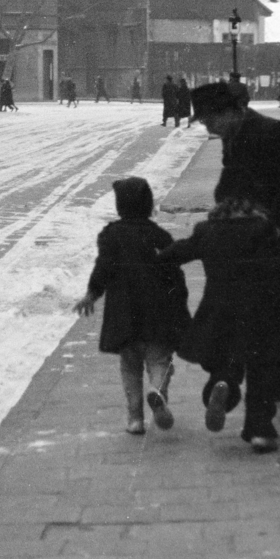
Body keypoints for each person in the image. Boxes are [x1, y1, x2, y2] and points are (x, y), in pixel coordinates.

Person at [190, 81, 280, 385]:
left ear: (229, 112)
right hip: (268, 214)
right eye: (204, 122)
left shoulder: (267, 134)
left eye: (210, 120)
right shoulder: (235, 135)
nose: (207, 127)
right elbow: (232, 183)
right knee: (262, 285)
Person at [159, 197, 280, 453]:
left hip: (218, 313)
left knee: (226, 362)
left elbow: (179, 252)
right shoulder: (263, 230)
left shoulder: (206, 231)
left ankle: (222, 386)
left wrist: (157, 259)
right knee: (261, 371)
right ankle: (260, 431)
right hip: (260, 314)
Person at [74, 177, 192, 435]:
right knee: (159, 360)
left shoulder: (111, 236)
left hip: (124, 316)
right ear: (148, 204)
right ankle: (157, 391)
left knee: (130, 367)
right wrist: (180, 304)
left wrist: (92, 294)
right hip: (157, 315)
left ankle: (135, 419)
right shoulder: (158, 235)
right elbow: (174, 274)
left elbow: (103, 268)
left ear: (120, 206)